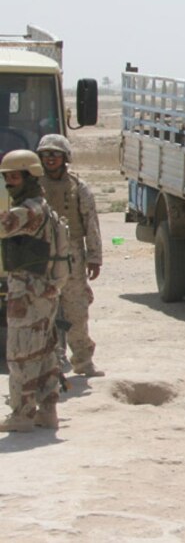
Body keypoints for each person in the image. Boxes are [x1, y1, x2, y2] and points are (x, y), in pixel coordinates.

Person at [0, 150, 69, 432]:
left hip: (27, 293)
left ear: (30, 177)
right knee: (44, 352)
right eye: (6, 178)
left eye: (15, 177)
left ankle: (23, 414)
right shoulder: (44, 207)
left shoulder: (30, 210)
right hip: (44, 290)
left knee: (21, 354)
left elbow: (4, 226)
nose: (9, 184)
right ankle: (47, 411)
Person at [36, 134, 104, 377]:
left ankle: (83, 362)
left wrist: (95, 257)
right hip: (42, 256)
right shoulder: (33, 186)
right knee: (45, 313)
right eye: (45, 155)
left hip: (73, 255)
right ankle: (51, 364)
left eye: (54, 154)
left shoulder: (78, 187)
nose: (50, 159)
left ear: (65, 157)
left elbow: (91, 222)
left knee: (77, 311)